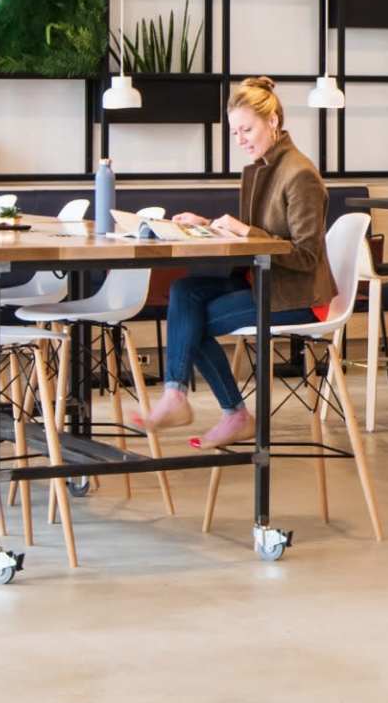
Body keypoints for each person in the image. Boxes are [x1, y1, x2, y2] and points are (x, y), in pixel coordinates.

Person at [131, 78, 333, 452]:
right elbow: (258, 237)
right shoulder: (264, 167)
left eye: (246, 129)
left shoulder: (300, 174)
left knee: (195, 324)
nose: (239, 138)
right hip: (264, 279)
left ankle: (233, 413)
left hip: (299, 294)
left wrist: (243, 229)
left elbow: (306, 256)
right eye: (235, 131)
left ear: (272, 121)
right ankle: (176, 392)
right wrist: (206, 227)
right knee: (184, 291)